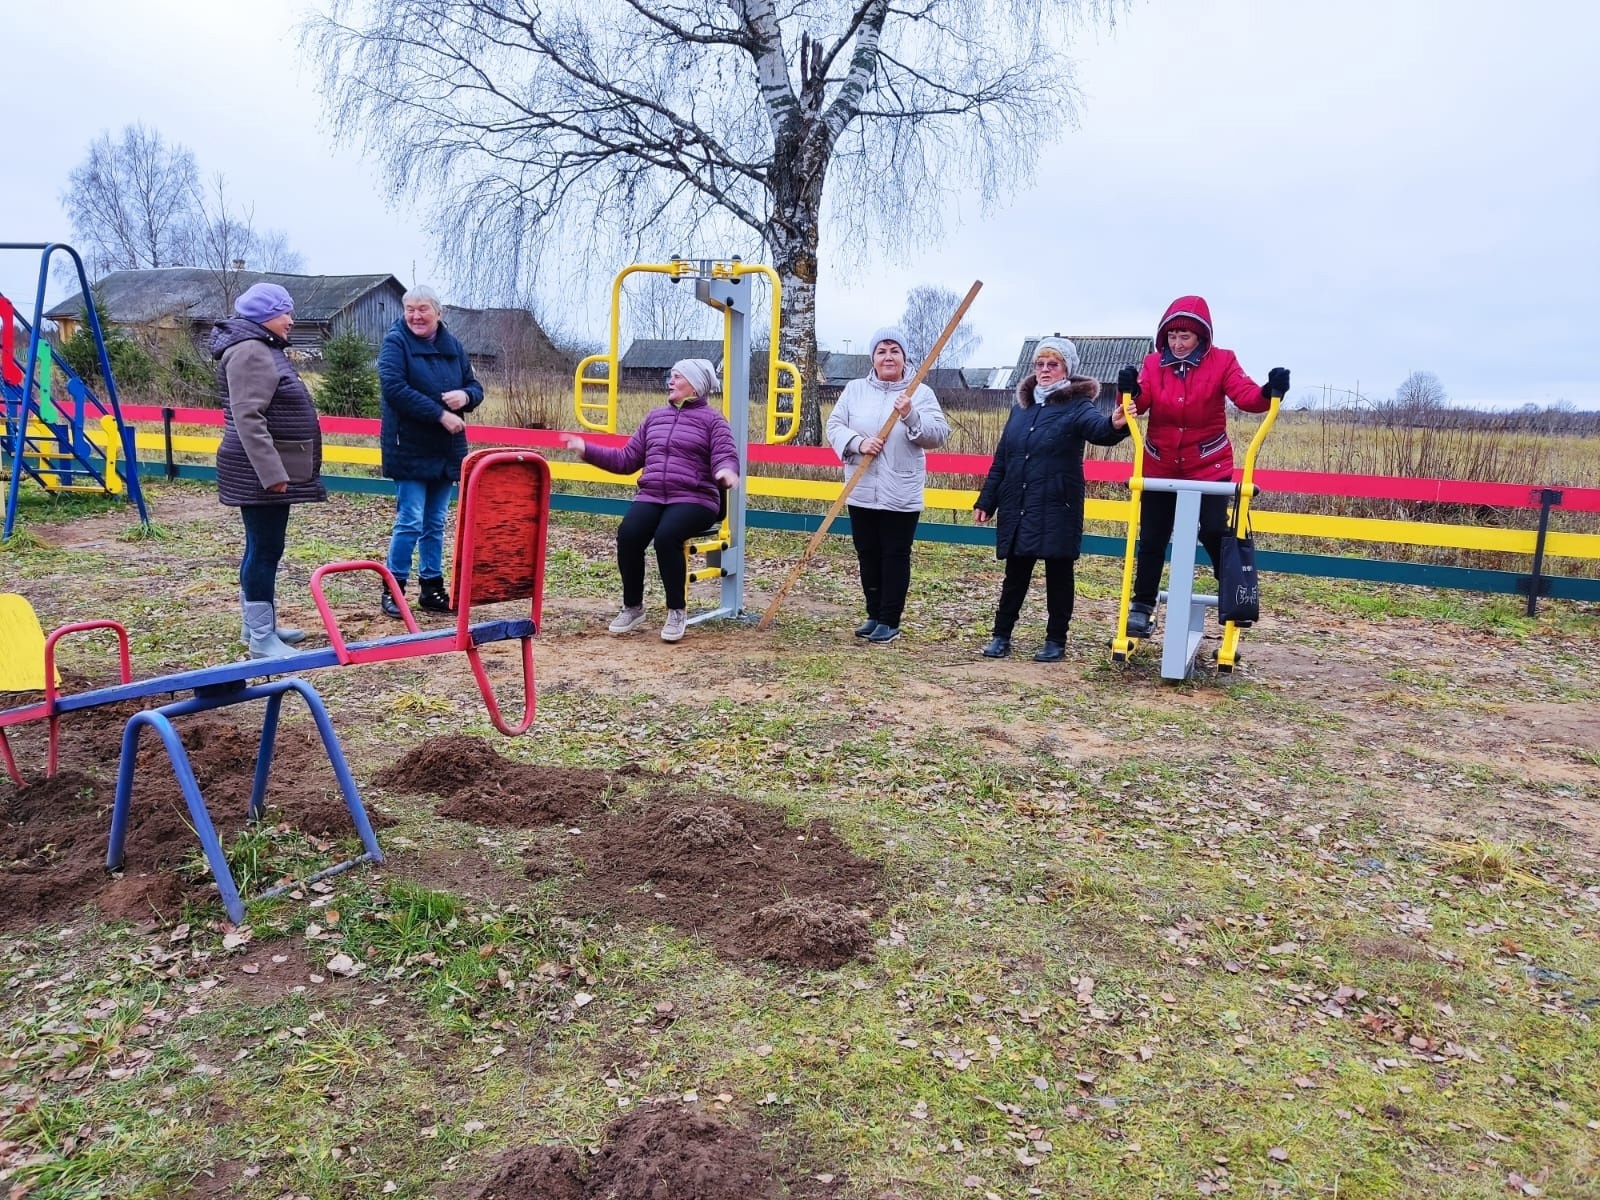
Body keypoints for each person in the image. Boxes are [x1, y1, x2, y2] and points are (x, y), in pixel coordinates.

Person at [1117, 296, 1287, 638]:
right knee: (1152, 535)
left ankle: (1233, 593)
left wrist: (1269, 391)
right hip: (1160, 462)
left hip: (1208, 463)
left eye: (1186, 337)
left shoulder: (1223, 361)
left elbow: (1245, 395)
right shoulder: (1154, 363)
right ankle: (1143, 604)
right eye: (1173, 337)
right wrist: (1130, 392)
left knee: (1212, 528)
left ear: (1201, 338)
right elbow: (1141, 402)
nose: (1178, 344)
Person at [561, 359, 739, 643]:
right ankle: (633, 607)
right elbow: (625, 459)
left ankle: (676, 611)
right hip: (653, 494)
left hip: (695, 498)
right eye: (671, 375)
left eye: (677, 377)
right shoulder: (655, 418)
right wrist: (586, 450)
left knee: (667, 537)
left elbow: (725, 454)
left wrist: (727, 471)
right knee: (629, 534)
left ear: (695, 385)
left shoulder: (713, 421)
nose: (670, 381)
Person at [974, 337, 1129, 662]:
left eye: (1053, 364)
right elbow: (1003, 457)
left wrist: (1116, 425)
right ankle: (1001, 636)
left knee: (1059, 575)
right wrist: (987, 500)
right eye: (1040, 364)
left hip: (1058, 505)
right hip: (1019, 504)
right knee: (1015, 575)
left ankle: (1056, 640)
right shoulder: (1022, 408)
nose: (1045, 370)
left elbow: (1100, 430)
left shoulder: (1077, 406)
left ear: (1066, 370)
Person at [211, 282, 326, 659]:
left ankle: (257, 625)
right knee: (264, 548)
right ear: (265, 316)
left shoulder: (260, 346)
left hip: (263, 468)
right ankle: (262, 639)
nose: (291, 320)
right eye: (285, 313)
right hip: (258, 470)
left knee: (262, 547)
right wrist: (271, 473)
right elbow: (248, 417)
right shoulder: (251, 351)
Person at [824, 327, 950, 644]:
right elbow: (834, 425)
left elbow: (937, 435)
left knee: (894, 554)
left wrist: (910, 416)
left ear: (904, 357)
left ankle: (890, 620)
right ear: (873, 358)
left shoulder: (920, 393)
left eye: (895, 350)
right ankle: (873, 614)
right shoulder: (854, 390)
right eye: (882, 351)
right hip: (862, 485)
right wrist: (857, 443)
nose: (888, 356)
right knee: (867, 553)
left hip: (900, 490)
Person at [377, 285, 483, 617]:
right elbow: (394, 389)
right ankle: (393, 588)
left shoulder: (453, 347)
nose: (415, 315)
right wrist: (439, 414)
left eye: (422, 309)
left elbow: (475, 386)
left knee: (435, 522)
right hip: (408, 446)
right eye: (409, 309)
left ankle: (431, 588)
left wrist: (465, 398)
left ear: (438, 312)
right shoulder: (396, 343)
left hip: (446, 449)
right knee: (409, 520)